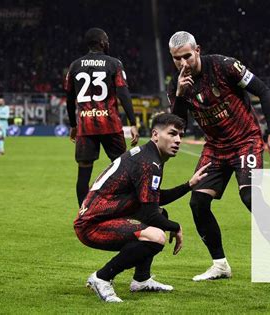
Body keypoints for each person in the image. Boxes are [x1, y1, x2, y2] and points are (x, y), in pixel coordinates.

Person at [167, 31, 270, 285]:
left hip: (245, 141)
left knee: (250, 196)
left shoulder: (224, 66)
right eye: (176, 59)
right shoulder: (176, 84)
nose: (183, 63)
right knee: (197, 204)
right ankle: (220, 265)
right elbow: (178, 124)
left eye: (186, 56)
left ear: (197, 50)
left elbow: (264, 91)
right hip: (215, 147)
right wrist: (181, 96)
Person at [74, 113, 210, 302]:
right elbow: (149, 213)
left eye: (180, 134)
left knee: (161, 215)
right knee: (156, 236)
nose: (178, 140)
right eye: (172, 134)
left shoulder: (148, 155)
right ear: (155, 135)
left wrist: (188, 185)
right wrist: (176, 227)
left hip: (102, 218)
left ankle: (141, 279)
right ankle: (102, 277)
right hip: (93, 226)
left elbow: (152, 199)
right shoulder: (149, 163)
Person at [64, 27, 139, 207]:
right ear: (102, 43)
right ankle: (129, 209)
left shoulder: (75, 65)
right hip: (110, 125)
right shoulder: (114, 63)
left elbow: (69, 99)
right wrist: (133, 123)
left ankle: (83, 217)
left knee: (83, 174)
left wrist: (73, 125)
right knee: (125, 169)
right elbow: (124, 94)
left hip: (85, 126)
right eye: (107, 39)